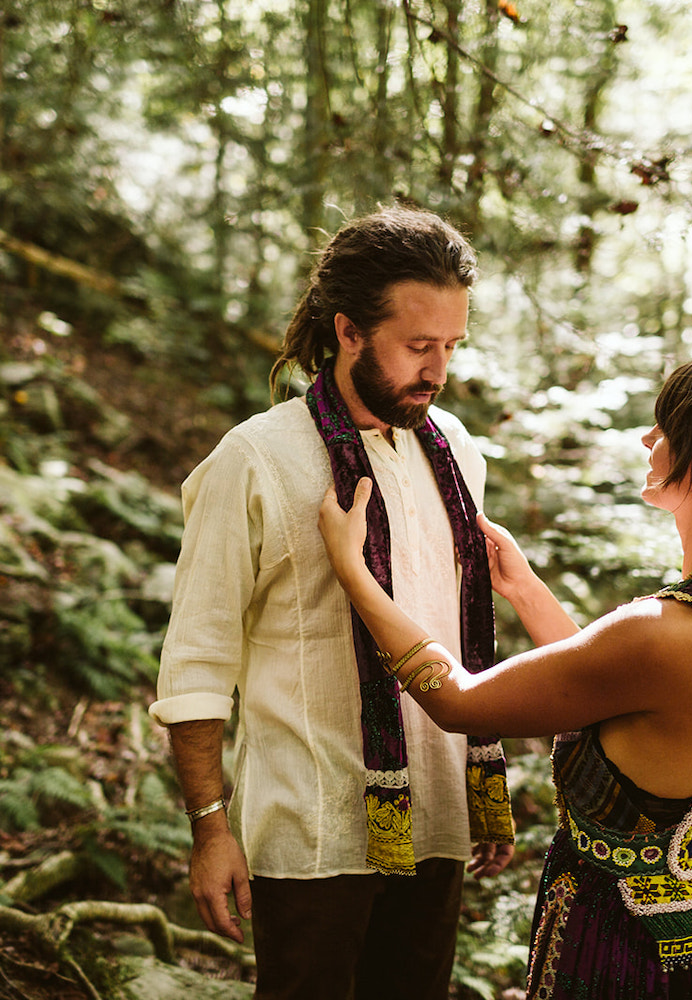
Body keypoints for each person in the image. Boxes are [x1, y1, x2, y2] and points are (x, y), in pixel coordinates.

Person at [319, 353, 692, 999]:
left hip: (637, 954)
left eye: (664, 428)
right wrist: (524, 588)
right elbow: (624, 698)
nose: (646, 440)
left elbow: (460, 703)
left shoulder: (667, 631)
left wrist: (356, 574)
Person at [149, 205, 516, 1000]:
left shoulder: (454, 448)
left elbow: (454, 636)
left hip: (440, 818)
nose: (438, 369)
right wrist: (209, 828)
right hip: (313, 832)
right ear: (348, 331)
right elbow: (195, 665)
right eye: (418, 346)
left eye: (451, 345)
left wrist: (484, 796)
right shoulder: (254, 460)